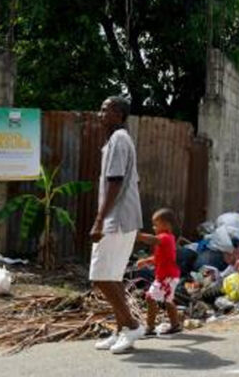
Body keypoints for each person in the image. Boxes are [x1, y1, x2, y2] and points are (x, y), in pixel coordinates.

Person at [91, 96, 145, 354]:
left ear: (119, 114)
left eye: (106, 110)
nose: (100, 114)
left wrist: (99, 220)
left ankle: (132, 325)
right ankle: (121, 329)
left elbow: (115, 180)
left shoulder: (119, 140)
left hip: (117, 219)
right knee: (111, 276)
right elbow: (134, 181)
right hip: (122, 217)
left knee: (100, 275)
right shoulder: (120, 140)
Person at [136, 208, 182, 336]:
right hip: (166, 276)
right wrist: (146, 261)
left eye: (156, 225)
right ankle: (174, 325)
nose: (153, 227)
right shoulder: (168, 239)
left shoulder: (165, 237)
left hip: (167, 277)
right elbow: (159, 258)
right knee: (167, 300)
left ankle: (150, 327)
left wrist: (138, 236)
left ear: (166, 225)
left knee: (151, 297)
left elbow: (152, 239)